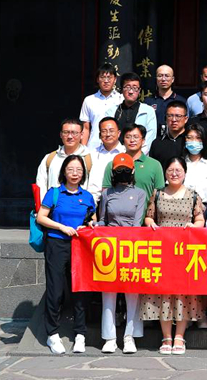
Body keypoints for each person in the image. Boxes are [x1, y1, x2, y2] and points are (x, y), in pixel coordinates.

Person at [140, 156, 206, 355]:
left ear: (185, 173)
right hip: (162, 251)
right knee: (164, 294)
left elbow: (200, 219)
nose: (174, 174)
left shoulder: (193, 195)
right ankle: (166, 336)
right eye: (170, 170)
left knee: (183, 294)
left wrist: (194, 226)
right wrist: (150, 223)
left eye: (178, 170)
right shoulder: (157, 194)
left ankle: (179, 336)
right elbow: (149, 216)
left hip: (185, 252)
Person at [36, 155, 95, 355]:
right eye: (71, 169)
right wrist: (61, 227)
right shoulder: (54, 193)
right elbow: (41, 217)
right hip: (56, 244)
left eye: (79, 170)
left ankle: (80, 334)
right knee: (56, 291)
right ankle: (52, 334)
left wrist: (89, 224)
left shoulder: (87, 196)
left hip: (80, 246)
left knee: (79, 291)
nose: (75, 173)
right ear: (64, 172)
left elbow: (92, 219)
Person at [93, 154, 146, 354]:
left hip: (131, 247)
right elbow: (103, 220)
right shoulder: (107, 193)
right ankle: (109, 337)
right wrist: (94, 225)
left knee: (132, 292)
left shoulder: (140, 193)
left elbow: (137, 223)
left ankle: (129, 336)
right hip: (109, 248)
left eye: (126, 169)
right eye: (119, 170)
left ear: (132, 171)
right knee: (108, 292)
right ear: (113, 172)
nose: (122, 172)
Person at [102, 125, 164, 205]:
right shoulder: (113, 164)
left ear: (143, 140)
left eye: (136, 137)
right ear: (123, 140)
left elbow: (159, 193)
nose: (132, 140)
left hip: (145, 212)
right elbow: (106, 193)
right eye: (128, 137)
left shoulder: (154, 165)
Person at [36, 118, 92, 199]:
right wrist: (44, 205)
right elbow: (41, 185)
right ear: (60, 134)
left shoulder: (90, 159)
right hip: (53, 206)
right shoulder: (49, 158)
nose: (70, 136)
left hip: (81, 206)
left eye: (74, 133)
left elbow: (94, 189)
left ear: (82, 135)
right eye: (66, 132)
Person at [109, 73, 157, 154]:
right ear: (121, 89)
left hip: (139, 156)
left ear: (139, 90)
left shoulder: (148, 111)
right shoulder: (112, 111)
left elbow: (150, 137)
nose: (131, 91)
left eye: (135, 88)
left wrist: (137, 154)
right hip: (115, 154)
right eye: (127, 87)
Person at [80, 63, 123, 150]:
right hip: (93, 147)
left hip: (116, 148)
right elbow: (86, 128)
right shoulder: (89, 100)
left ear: (115, 79)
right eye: (102, 77)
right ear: (97, 79)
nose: (106, 81)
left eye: (109, 77)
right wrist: (83, 150)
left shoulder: (121, 99)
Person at [86, 117, 125, 203]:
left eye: (111, 131)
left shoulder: (125, 154)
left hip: (118, 201)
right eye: (104, 131)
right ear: (100, 135)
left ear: (118, 133)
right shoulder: (91, 154)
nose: (108, 134)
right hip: (93, 201)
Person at [144, 65, 187, 138]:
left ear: (172, 79)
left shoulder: (181, 101)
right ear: (156, 79)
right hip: (153, 140)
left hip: (175, 139)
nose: (163, 79)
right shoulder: (148, 101)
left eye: (167, 76)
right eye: (160, 76)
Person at [149, 101, 189, 170]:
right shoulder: (157, 143)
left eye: (178, 116)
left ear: (186, 119)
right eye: (170, 116)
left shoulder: (190, 142)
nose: (174, 120)